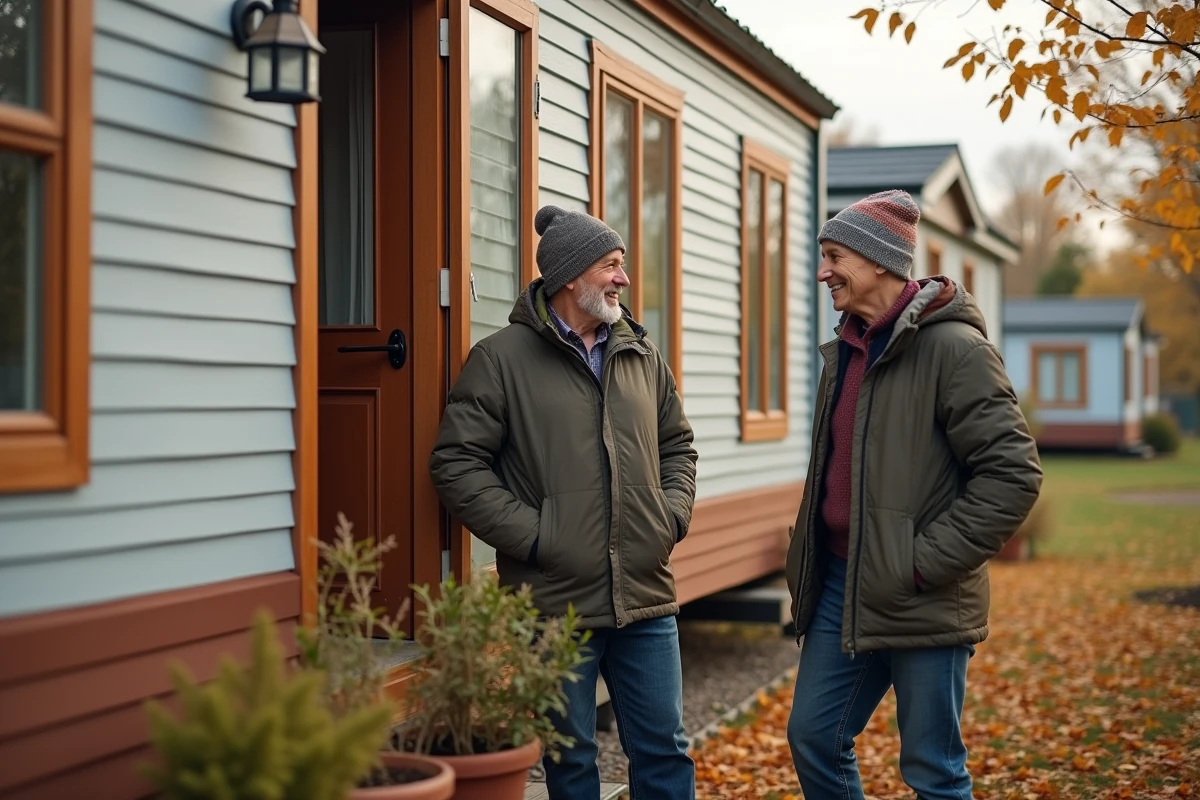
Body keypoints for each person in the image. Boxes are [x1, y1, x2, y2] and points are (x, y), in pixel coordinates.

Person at [429, 205, 699, 800]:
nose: (623, 279)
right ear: (571, 277)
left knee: (665, 752)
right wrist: (538, 537)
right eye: (610, 266)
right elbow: (455, 464)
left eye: (621, 265)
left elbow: (678, 446)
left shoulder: (641, 354)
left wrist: (669, 517)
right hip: (554, 602)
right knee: (569, 759)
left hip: (645, 594)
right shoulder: (501, 360)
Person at [783, 189, 1043, 800]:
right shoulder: (844, 351)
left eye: (835, 256)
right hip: (841, 584)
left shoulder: (955, 349)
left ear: (879, 262)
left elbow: (1013, 474)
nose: (823, 271)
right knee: (814, 738)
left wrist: (920, 563)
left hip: (921, 592)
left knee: (933, 769)